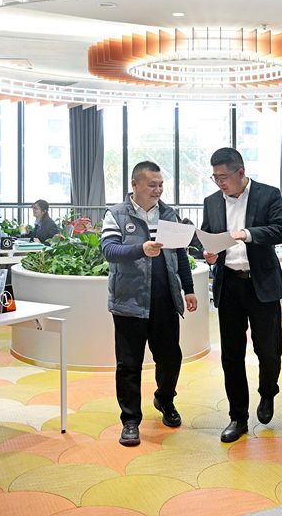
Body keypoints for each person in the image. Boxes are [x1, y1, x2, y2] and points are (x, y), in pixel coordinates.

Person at [101, 161, 197, 447]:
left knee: (170, 358)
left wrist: (189, 289)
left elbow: (180, 255)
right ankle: (130, 420)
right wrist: (140, 249)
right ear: (135, 184)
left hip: (165, 301)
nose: (158, 190)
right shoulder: (116, 214)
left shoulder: (169, 214)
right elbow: (109, 250)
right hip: (129, 302)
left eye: (160, 184)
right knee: (128, 365)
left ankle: (165, 399)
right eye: (152, 184)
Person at [200, 147, 282, 443]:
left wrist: (247, 234)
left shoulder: (268, 194)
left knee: (268, 350)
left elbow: (280, 231)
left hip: (261, 283)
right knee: (231, 355)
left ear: (241, 172)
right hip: (229, 285)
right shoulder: (212, 202)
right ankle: (237, 417)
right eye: (215, 178)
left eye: (224, 177)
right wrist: (209, 254)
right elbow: (208, 237)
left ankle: (268, 392)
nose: (220, 183)